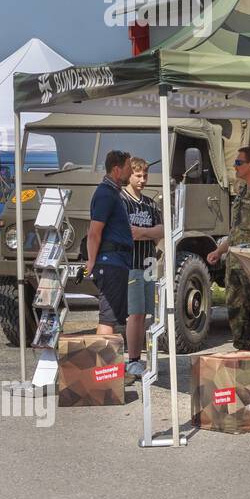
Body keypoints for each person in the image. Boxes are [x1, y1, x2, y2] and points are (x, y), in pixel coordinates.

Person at [206, 147, 250, 351]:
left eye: (238, 163)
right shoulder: (241, 192)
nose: (235, 167)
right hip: (235, 264)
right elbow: (236, 230)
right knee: (236, 312)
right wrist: (219, 251)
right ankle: (243, 354)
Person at [85, 150, 134, 353]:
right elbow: (94, 232)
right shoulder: (105, 193)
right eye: (128, 168)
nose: (131, 173)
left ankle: (107, 372)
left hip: (118, 262)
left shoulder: (113, 193)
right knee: (108, 317)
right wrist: (91, 262)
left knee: (112, 318)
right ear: (116, 169)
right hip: (110, 262)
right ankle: (101, 371)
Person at [121, 157, 164, 378]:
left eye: (145, 175)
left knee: (147, 313)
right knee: (135, 313)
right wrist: (147, 233)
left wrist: (144, 233)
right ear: (129, 175)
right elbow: (128, 233)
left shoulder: (149, 203)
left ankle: (141, 357)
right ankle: (133, 359)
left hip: (149, 262)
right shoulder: (122, 200)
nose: (142, 180)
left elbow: (161, 230)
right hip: (131, 264)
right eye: (138, 175)